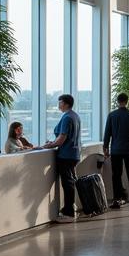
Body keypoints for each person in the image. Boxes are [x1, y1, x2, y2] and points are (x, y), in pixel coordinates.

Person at [44, 94, 81, 222]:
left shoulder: (66, 117)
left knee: (67, 183)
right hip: (74, 154)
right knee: (69, 183)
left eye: (60, 103)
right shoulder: (75, 116)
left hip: (66, 155)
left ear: (65, 104)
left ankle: (69, 212)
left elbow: (62, 138)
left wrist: (50, 145)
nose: (58, 105)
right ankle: (70, 209)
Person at [103, 92, 129, 211]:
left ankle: (116, 200)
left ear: (117, 101)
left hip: (115, 150)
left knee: (116, 175)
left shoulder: (111, 115)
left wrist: (105, 147)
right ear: (127, 101)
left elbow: (107, 133)